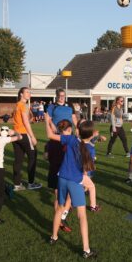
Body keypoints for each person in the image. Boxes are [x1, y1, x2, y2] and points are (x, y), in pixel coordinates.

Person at [46, 114, 97, 259]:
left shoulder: (71, 139)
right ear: (91, 135)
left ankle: (54, 237)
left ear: (78, 132)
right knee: (82, 216)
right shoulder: (90, 149)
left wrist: (46, 120)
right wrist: (86, 181)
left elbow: (50, 134)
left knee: (60, 209)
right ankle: (86, 250)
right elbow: (88, 169)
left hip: (61, 178)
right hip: (75, 181)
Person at [46, 88, 78, 227]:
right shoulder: (52, 106)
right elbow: (47, 119)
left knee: (67, 163)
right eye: (59, 96)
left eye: (63, 96)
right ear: (56, 96)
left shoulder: (69, 106)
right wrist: (53, 126)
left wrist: (77, 128)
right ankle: (60, 202)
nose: (61, 98)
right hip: (56, 137)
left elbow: (74, 118)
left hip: (68, 136)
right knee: (56, 164)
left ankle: (65, 201)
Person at [45, 119, 74, 233]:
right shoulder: (68, 141)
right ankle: (62, 218)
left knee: (57, 197)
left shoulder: (51, 141)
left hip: (52, 170)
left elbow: (45, 157)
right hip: (63, 172)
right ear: (69, 130)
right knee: (68, 197)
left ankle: (60, 218)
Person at [12, 87, 42, 191]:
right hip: (24, 134)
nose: (30, 94)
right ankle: (31, 183)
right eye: (27, 92)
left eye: (30, 92)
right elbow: (25, 122)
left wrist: (29, 118)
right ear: (21, 94)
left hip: (15, 134)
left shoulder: (17, 105)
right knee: (32, 157)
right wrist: (32, 136)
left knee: (18, 159)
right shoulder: (23, 105)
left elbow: (24, 119)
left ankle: (17, 185)